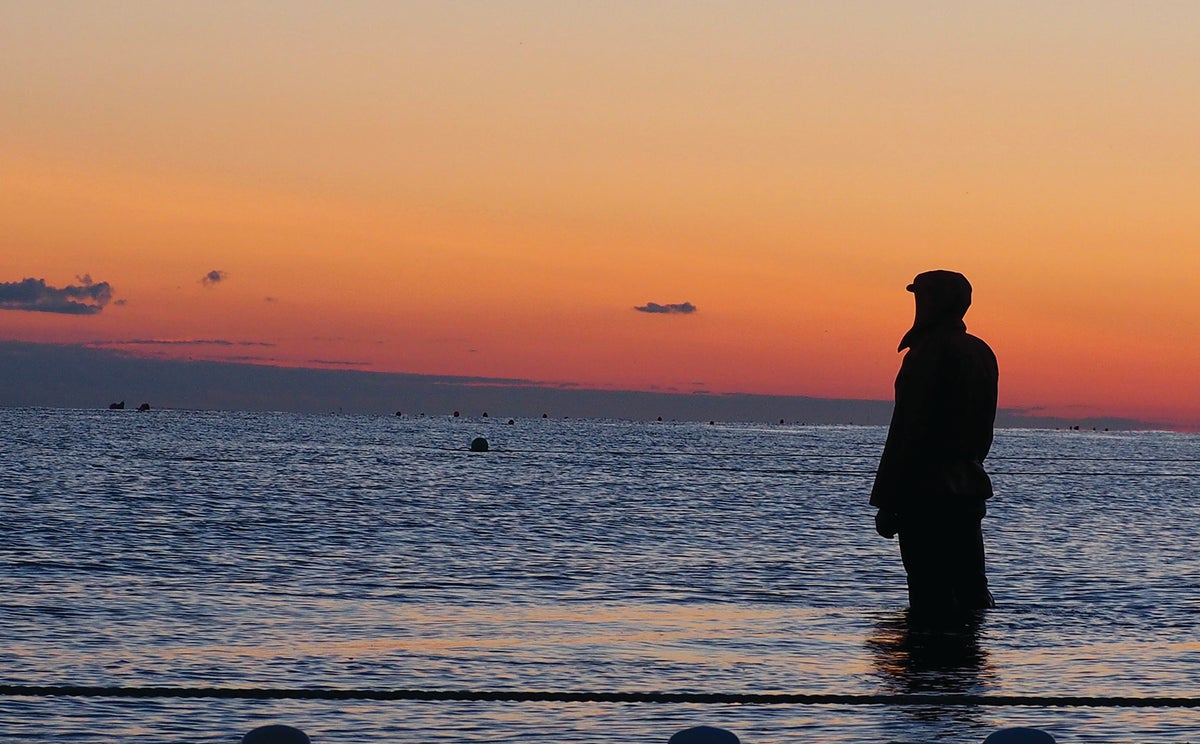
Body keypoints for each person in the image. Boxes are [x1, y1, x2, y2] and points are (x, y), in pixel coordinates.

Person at [870, 270, 998, 613]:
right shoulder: (982, 353)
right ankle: (965, 662)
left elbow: (906, 432)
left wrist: (888, 502)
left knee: (930, 596)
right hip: (968, 494)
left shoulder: (925, 355)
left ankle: (930, 662)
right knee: (972, 593)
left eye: (921, 298)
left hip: (924, 497)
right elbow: (984, 431)